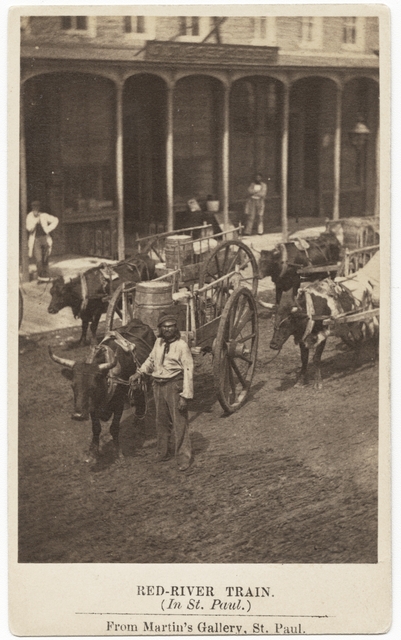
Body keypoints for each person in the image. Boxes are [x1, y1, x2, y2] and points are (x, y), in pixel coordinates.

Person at [130, 313, 194, 471]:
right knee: (161, 421)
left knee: (179, 423)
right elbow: (151, 360)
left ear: (175, 328)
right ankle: (163, 452)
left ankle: (183, 457)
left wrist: (185, 396)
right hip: (158, 386)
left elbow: (188, 371)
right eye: (164, 326)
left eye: (171, 326)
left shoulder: (182, 346)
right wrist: (139, 372)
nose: (168, 329)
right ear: (160, 328)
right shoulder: (158, 342)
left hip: (174, 386)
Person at [26, 201, 59, 282]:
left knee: (45, 257)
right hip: (36, 240)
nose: (35, 211)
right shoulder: (29, 216)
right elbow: (28, 228)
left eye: (37, 208)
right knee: (39, 259)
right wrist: (35, 222)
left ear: (39, 208)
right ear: (32, 209)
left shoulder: (43, 215)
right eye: (34, 209)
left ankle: (45, 275)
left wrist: (48, 228)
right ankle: (41, 276)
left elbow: (56, 220)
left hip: (44, 238)